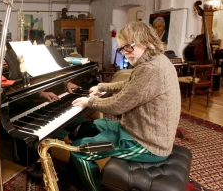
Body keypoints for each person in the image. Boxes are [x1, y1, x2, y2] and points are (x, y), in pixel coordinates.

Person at [70, 21, 181, 191]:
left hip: (146, 144)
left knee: (79, 152)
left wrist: (90, 101)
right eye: (122, 49)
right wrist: (103, 87)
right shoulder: (154, 61)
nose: (125, 53)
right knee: (88, 127)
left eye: (129, 47)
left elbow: (118, 105)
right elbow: (132, 86)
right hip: (137, 129)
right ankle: (76, 177)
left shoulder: (152, 69)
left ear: (146, 41)